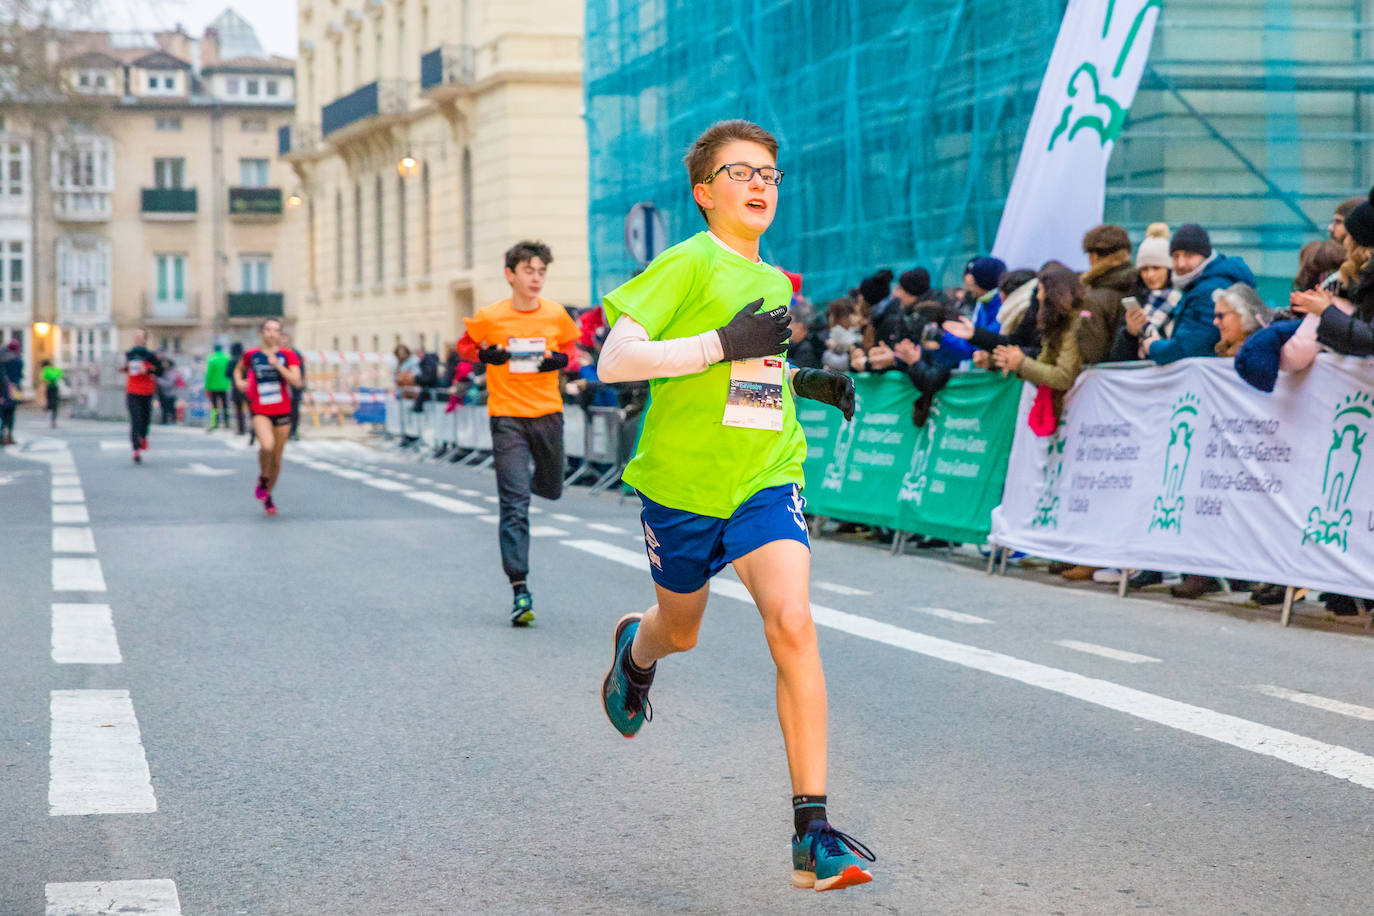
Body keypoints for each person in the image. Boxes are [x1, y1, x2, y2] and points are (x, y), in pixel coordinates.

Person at [595, 119, 874, 893]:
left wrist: (799, 381)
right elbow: (616, 359)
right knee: (679, 632)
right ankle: (636, 652)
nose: (759, 185)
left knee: (792, 622)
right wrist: (723, 341)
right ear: (704, 192)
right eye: (741, 172)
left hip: (763, 474)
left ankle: (812, 833)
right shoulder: (684, 263)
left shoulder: (776, 281)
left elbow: (751, 381)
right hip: (682, 491)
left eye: (769, 175)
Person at [456, 240, 580, 627]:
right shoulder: (490, 317)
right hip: (507, 416)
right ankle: (519, 588)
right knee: (514, 505)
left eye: (541, 271)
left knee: (553, 486)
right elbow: (464, 347)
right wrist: (483, 356)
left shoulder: (556, 315)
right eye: (529, 271)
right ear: (510, 275)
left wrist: (561, 361)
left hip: (547, 415)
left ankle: (527, 485)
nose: (536, 278)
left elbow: (573, 353)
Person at [1141, 224, 1255, 364]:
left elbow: (1188, 347)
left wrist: (1152, 346)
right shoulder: (1200, 284)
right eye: (1176, 256)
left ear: (1205, 256)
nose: (1181, 263)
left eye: (1189, 255)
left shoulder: (1207, 290)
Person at [233, 318, 302, 515]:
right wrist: (239, 381)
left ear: (279, 334)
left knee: (277, 459)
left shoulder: (288, 355)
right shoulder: (252, 355)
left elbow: (297, 381)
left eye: (276, 330)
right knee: (267, 446)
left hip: (282, 410)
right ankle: (263, 477)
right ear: (262, 333)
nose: (272, 333)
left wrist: (278, 366)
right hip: (260, 409)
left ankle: (268, 494)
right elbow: (239, 369)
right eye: (269, 330)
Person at [1109, 223, 1177, 363]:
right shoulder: (1136, 300)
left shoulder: (1181, 299)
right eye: (1144, 269)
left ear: (1169, 269)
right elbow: (1119, 358)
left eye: (1156, 268)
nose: (1150, 275)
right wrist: (1130, 333)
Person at [1077, 224, 1135, 366]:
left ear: (1093, 257)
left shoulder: (1092, 298)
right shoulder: (1141, 285)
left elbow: (1092, 353)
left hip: (1104, 382)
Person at [939, 256, 1006, 363]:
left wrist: (946, 337)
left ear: (983, 282)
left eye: (972, 284)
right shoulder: (984, 304)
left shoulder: (1000, 306)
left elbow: (982, 342)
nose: (968, 288)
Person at [121, 330, 161, 463]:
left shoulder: (151, 355)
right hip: (132, 391)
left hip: (147, 392)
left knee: (145, 420)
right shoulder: (129, 354)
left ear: (145, 340)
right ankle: (136, 450)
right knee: (135, 420)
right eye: (135, 337)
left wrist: (148, 370)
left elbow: (160, 371)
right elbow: (128, 368)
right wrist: (125, 368)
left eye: (140, 337)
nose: (137, 339)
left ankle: (143, 436)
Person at [280, 331, 306, 439]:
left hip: (294, 386)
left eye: (286, 340)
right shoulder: (278, 354)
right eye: (282, 340)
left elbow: (302, 370)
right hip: (281, 387)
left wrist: (301, 383)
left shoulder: (296, 354)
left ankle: (293, 431)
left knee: (294, 409)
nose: (284, 343)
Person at [204, 343, 232, 432]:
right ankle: (227, 423)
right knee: (225, 405)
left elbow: (209, 374)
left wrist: (207, 386)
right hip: (225, 385)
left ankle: (214, 423)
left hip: (213, 386)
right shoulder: (227, 357)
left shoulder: (212, 358)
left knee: (214, 405)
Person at [0, 339, 22, 444]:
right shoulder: (18, 360)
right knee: (11, 412)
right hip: (14, 389)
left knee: (3, 413)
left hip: (4, 389)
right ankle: (9, 436)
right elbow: (19, 375)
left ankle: (3, 436)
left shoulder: (2, 359)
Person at [228, 341, 248, 434]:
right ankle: (253, 429)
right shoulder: (245, 359)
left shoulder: (232, 360)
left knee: (239, 409)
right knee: (251, 408)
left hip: (236, 387)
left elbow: (227, 373)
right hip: (248, 386)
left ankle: (241, 429)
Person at [155, 356, 179, 424]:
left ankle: (171, 421)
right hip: (164, 393)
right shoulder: (163, 370)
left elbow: (169, 383)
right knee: (164, 408)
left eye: (165, 363)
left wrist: (157, 380)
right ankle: (165, 421)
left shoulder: (171, 372)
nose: (163, 364)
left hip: (170, 394)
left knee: (169, 408)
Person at [41, 359, 63, 428]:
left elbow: (44, 378)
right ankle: (50, 410)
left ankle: (52, 418)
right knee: (52, 403)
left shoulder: (49, 371)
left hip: (52, 388)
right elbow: (44, 378)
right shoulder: (48, 370)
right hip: (51, 388)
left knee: (53, 404)